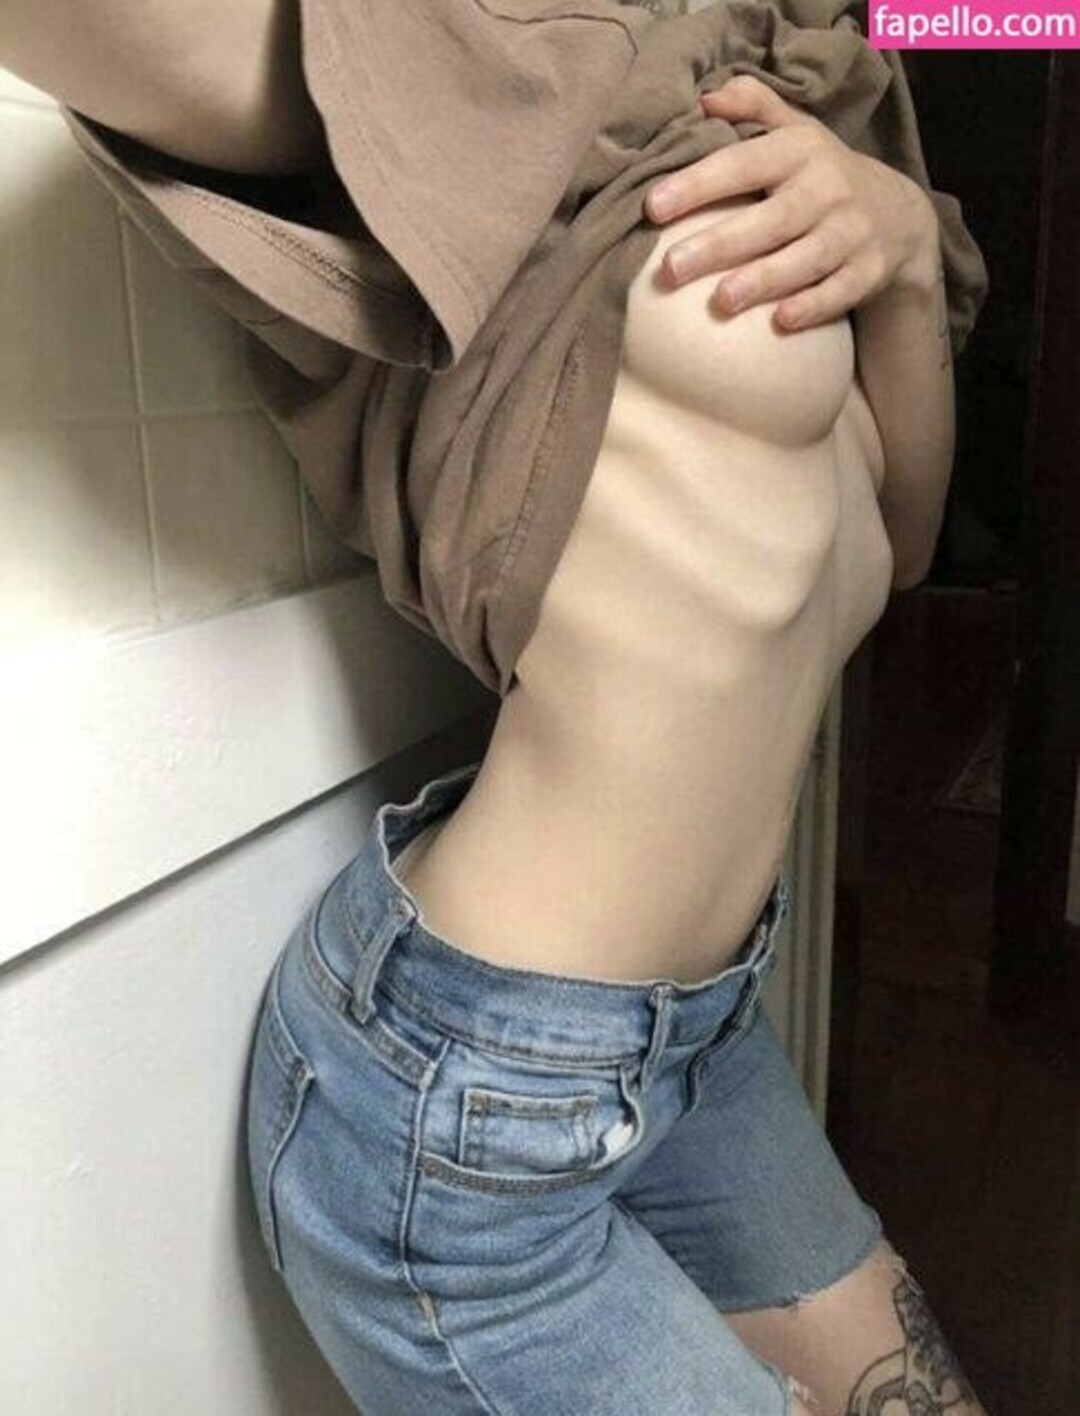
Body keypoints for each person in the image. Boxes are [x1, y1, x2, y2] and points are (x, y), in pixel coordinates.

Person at [5, 2, 990, 1411]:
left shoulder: (803, 83)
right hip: (470, 1126)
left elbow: (894, 545)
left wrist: (896, 254)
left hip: (699, 1040)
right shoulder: (500, 61)